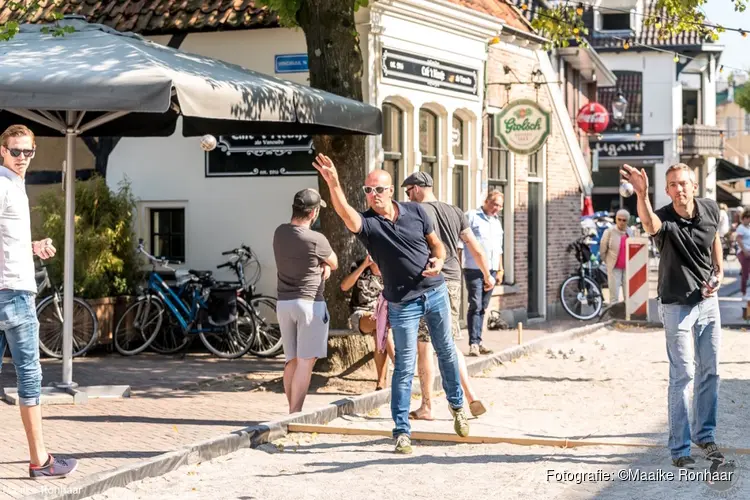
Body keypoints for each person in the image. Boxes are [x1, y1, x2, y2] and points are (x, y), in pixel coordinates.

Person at [313, 153, 470, 455]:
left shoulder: (417, 211)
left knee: (447, 351)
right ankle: (401, 431)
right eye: (368, 190)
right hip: (402, 303)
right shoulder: (369, 224)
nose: (373, 195)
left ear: (391, 191)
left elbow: (436, 243)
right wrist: (333, 184)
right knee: (405, 366)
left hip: (434, 292)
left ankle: (457, 407)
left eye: (379, 189)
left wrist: (438, 259)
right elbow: (346, 214)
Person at [621, 162, 724, 469]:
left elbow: (714, 237)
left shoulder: (710, 209)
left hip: (708, 304)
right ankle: (680, 449)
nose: (679, 189)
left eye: (683, 183)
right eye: (673, 185)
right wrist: (642, 194)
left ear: (694, 186)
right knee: (683, 375)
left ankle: (704, 435)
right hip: (676, 306)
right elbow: (650, 225)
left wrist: (718, 272)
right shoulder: (664, 218)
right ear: (667, 190)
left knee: (711, 371)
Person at [0, 124, 78, 479]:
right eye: (15, 151)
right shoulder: (4, 186)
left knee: (27, 377)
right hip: (15, 294)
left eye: (28, 152)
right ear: (2, 150)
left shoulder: (15, 186)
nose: (22, 159)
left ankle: (40, 459)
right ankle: (40, 461)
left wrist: (31, 247)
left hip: (11, 289)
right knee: (29, 378)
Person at [402, 171, 495, 421]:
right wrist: (487, 274)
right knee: (450, 342)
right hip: (454, 279)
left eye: (408, 191)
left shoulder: (415, 212)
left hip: (428, 280)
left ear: (418, 188)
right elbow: (475, 247)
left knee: (425, 346)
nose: (407, 197)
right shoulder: (455, 211)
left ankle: (427, 407)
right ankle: (471, 396)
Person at [272, 188, 338, 414]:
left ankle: (290, 412)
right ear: (313, 213)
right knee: (305, 361)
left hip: (284, 303)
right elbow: (335, 262)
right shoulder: (316, 239)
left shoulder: (279, 232)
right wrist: (326, 265)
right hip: (309, 303)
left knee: (290, 360)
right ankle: (295, 413)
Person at [340, 253, 395, 390]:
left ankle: (381, 383)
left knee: (381, 331)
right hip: (360, 313)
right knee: (382, 325)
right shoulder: (359, 265)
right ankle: (400, 365)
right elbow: (344, 287)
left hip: (381, 314)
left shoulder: (390, 269)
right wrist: (364, 265)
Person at [463, 191, 505, 356]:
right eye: (495, 204)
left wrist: (500, 269)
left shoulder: (497, 222)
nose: (497, 209)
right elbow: (461, 242)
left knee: (484, 307)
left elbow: (498, 248)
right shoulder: (472, 216)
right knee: (475, 304)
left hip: (493, 269)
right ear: (486, 201)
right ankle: (473, 343)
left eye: (500, 206)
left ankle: (479, 341)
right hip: (474, 268)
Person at [599, 209, 633, 304]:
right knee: (614, 293)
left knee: (628, 292)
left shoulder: (630, 232)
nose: (621, 222)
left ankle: (628, 314)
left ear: (628, 220)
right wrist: (606, 261)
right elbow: (603, 248)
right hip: (614, 267)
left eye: (624, 220)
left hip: (627, 266)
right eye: (619, 219)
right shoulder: (609, 231)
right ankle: (613, 314)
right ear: (616, 219)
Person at [734, 208, 750, 300]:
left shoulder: (748, 227)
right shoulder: (741, 228)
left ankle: (746, 291)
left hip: (748, 251)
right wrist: (744, 251)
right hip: (744, 252)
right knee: (745, 273)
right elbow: (739, 239)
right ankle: (743, 292)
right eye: (748, 218)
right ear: (744, 218)